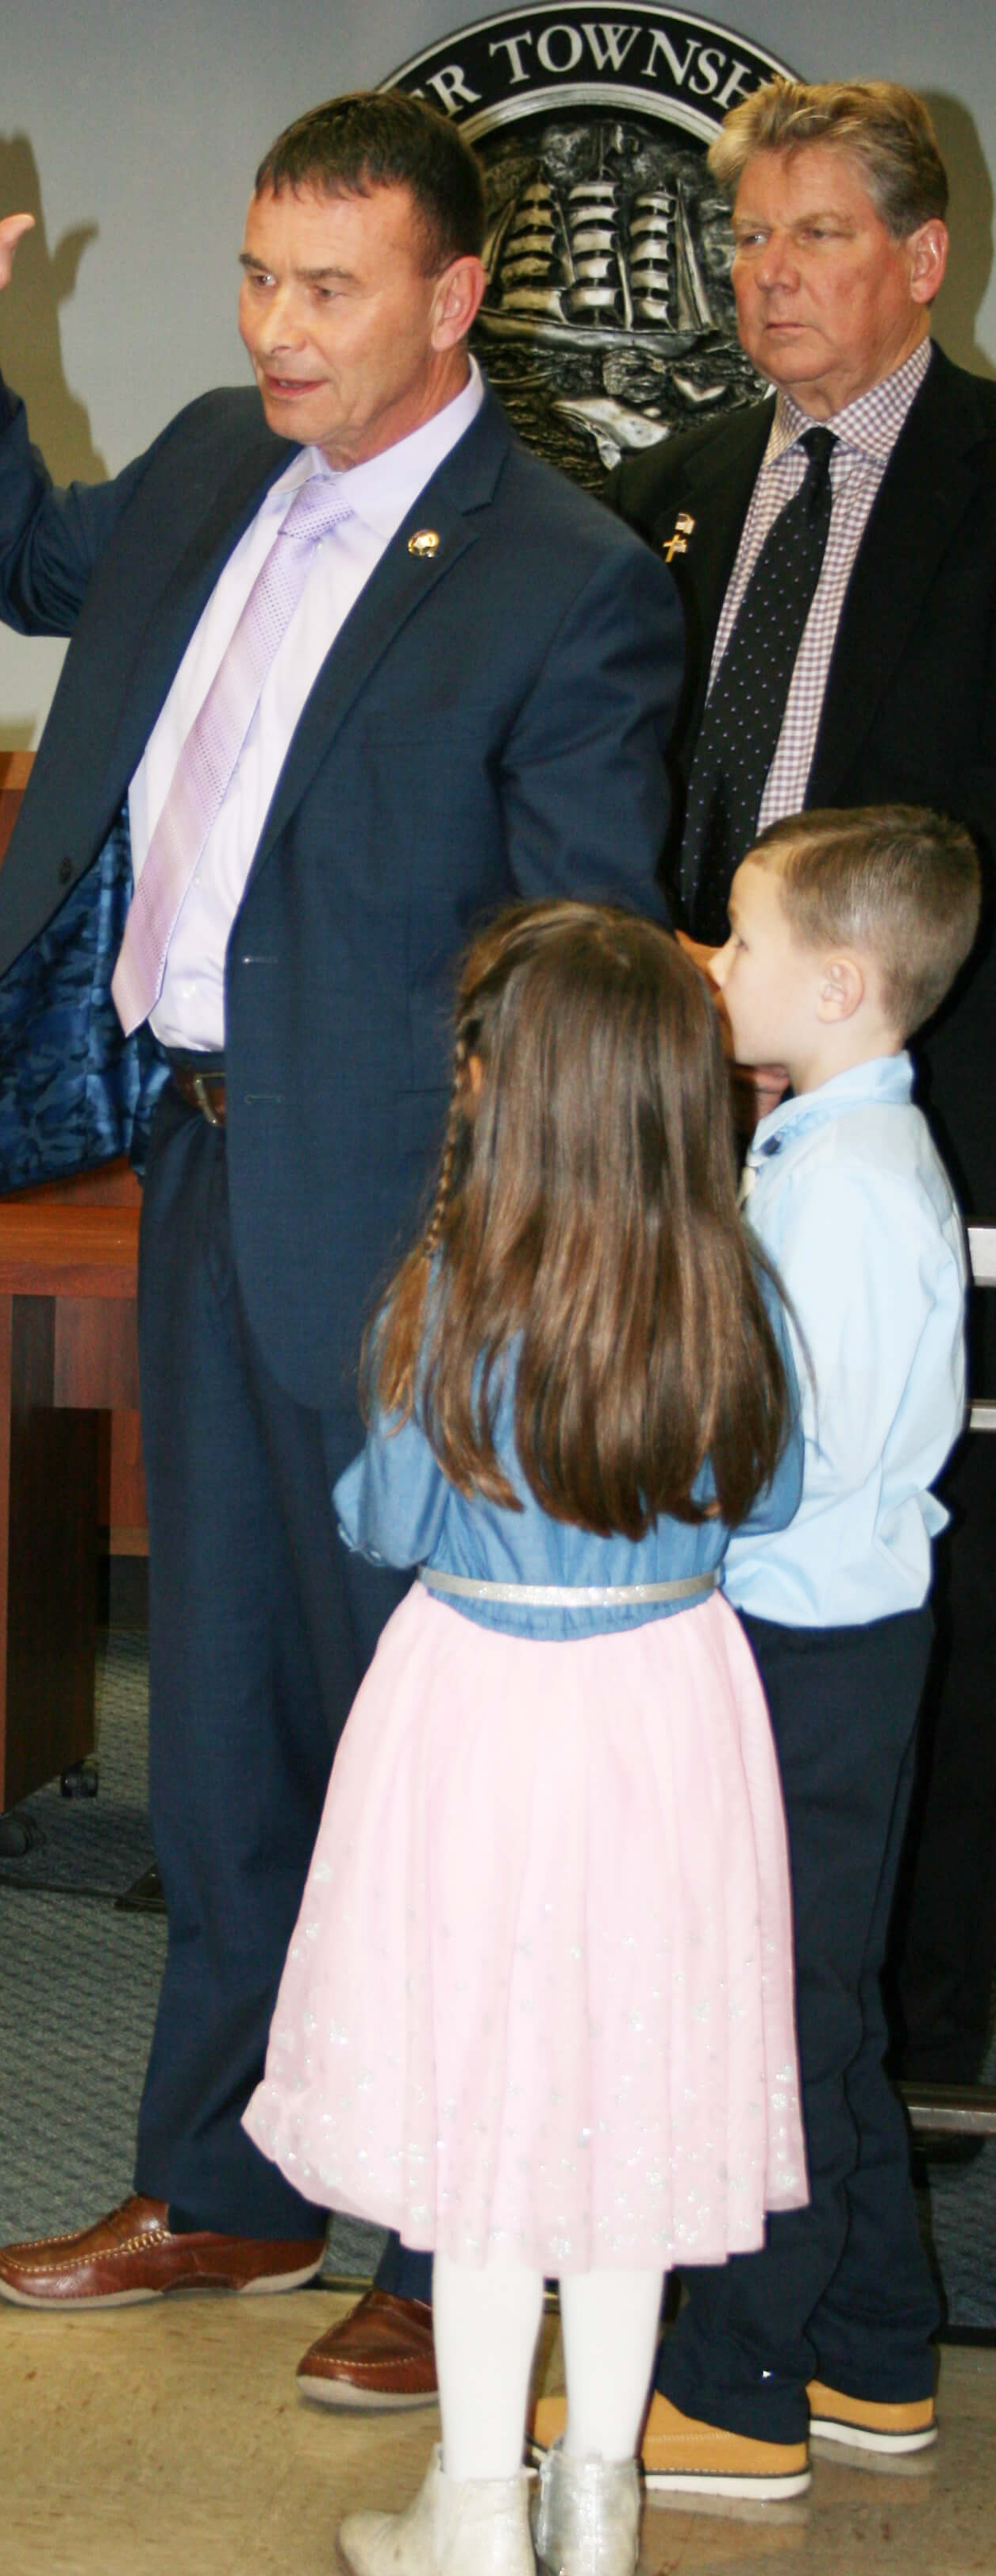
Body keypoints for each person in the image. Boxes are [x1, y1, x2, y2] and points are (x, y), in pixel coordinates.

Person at [0, 90, 683, 2403]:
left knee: (418, 1739)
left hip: (413, 1234)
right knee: (221, 1712)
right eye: (256, 276)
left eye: (331, 291)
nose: (279, 328)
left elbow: (577, 947)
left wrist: (496, 1262)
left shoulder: (569, 577)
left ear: (456, 301)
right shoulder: (225, 460)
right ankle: (226, 2178)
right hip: (203, 1169)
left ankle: (443, 2238)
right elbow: (34, 550)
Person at [245, 903, 806, 2576]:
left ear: (510, 1092)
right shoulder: (734, 1287)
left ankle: (470, 2510)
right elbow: (765, 1502)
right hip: (672, 1710)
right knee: (620, 2111)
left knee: (490, 2113)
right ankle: (598, 2508)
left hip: (477, 1711)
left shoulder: (451, 1297)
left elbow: (387, 1517)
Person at [603, 78, 996, 2111]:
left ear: (921, 261)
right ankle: (734, 1983)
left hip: (928, 1109)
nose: (766, 278)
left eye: (814, 237)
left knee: (908, 1551)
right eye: (744, 240)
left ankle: (928, 2018)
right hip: (683, 1110)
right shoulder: (668, 485)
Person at [538, 804, 979, 2500]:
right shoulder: (819, 1142)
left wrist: (633, 1482)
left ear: (845, 980)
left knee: (761, 2030)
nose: (711, 962)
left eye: (740, 933)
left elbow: (786, 1452)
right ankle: (871, 2356)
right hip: (816, 1645)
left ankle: (734, 2386)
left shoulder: (853, 1187)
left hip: (812, 1656)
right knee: (815, 2010)